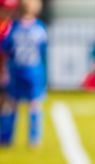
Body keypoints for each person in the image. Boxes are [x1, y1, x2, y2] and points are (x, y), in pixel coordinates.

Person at [0, 0, 45, 146]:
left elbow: (6, 48)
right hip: (33, 70)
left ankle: (7, 137)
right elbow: (42, 49)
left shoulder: (14, 27)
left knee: (12, 104)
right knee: (34, 104)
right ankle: (34, 138)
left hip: (16, 70)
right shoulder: (39, 28)